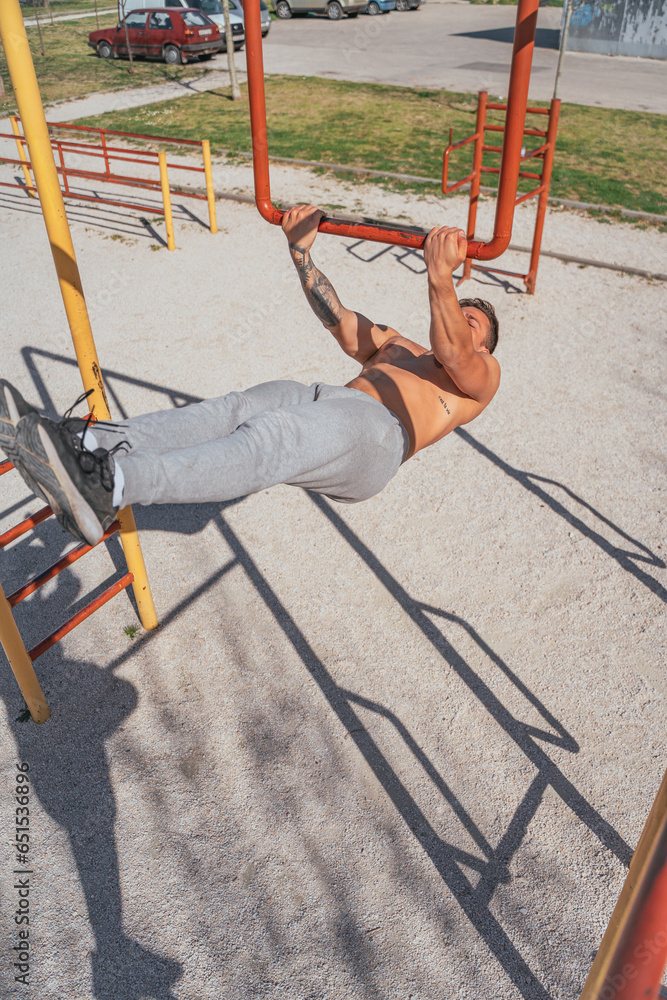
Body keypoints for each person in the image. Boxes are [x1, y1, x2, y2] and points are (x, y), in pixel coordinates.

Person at [0, 206, 500, 548]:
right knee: (229, 411)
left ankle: (110, 486)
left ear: (483, 343)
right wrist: (301, 251)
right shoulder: (398, 345)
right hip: (327, 399)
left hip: (379, 435)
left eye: (472, 319)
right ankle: (82, 443)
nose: (460, 316)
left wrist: (441, 278)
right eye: (460, 310)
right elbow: (340, 321)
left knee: (270, 440)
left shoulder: (479, 378)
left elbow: (455, 350)